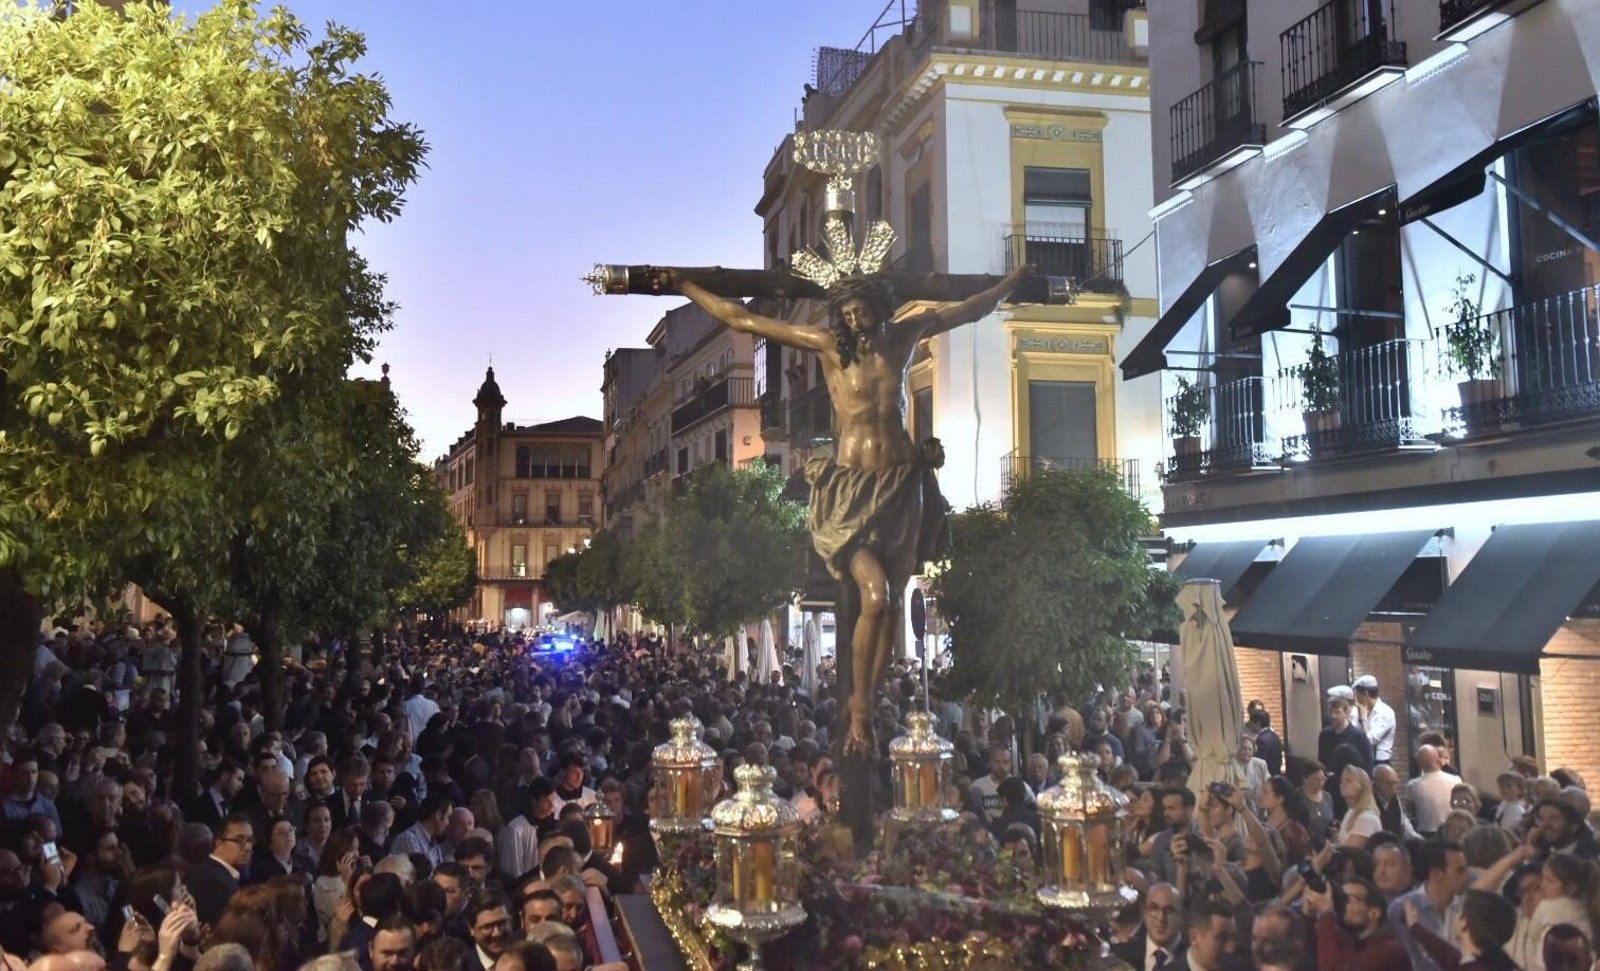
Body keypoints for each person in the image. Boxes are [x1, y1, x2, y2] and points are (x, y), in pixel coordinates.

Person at [678, 264, 1029, 752]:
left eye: (861, 310)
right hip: (850, 488)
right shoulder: (826, 347)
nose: (854, 320)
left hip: (903, 482)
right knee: (877, 596)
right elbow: (748, 322)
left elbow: (967, 310)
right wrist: (687, 286)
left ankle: (868, 699)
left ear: (879, 310)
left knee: (892, 600)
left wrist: (1008, 285)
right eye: (846, 313)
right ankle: (859, 708)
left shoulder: (907, 335)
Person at [1390, 839, 1471, 971]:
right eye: (1460, 870)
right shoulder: (1401, 908)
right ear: (1437, 873)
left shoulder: (1469, 909)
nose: (1467, 876)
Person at [1402, 887, 1519, 970]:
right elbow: (1447, 955)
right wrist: (1415, 926)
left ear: (1464, 922)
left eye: (1460, 911)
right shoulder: (1486, 964)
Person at [1307, 875, 1409, 969]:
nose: (1341, 905)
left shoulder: (1392, 951)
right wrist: (1308, 915)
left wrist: (1326, 913)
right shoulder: (1343, 940)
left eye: (1348, 900)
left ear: (1374, 913)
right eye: (1339, 899)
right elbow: (1299, 955)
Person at [188, 813, 251, 926]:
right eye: (239, 840)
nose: (247, 847)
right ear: (218, 843)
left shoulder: (211, 871)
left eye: (250, 840)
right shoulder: (217, 883)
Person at [1109, 882, 1185, 971]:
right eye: (1154, 908)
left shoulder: (1197, 958)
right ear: (1144, 913)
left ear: (1181, 915)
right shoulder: (1120, 956)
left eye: (1169, 910)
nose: (1161, 918)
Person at [1318, 691, 1373, 814]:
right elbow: (1322, 762)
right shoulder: (1325, 735)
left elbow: (1368, 766)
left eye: (1337, 712)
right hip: (1332, 788)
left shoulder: (1359, 736)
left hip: (1354, 788)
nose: (1333, 716)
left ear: (1346, 712)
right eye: (1330, 712)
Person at [1409, 745, 1459, 838]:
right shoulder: (1456, 780)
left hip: (1425, 834)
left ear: (1419, 764)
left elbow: (1411, 810)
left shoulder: (1413, 786)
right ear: (1438, 760)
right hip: (1451, 830)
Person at [464, 889, 514, 971]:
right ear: (471, 929)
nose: (496, 933)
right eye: (487, 927)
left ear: (511, 922)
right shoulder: (463, 967)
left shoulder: (528, 961)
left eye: (502, 923)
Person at [1353, 676, 1396, 766]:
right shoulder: (1360, 711)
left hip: (1380, 763)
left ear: (1366, 694)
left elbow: (1369, 740)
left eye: (1358, 696)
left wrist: (1364, 719)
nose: (1357, 700)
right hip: (1363, 759)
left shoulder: (1386, 712)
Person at [1337, 765, 1383, 849]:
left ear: (1361, 786)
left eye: (1349, 781)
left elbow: (1350, 851)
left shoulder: (1366, 817)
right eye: (1342, 781)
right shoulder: (1350, 813)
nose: (1343, 784)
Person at [1248, 708, 1283, 777]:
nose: (1250, 726)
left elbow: (1259, 763)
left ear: (1258, 724)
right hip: (1276, 774)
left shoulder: (1262, 740)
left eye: (1251, 723)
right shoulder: (1275, 736)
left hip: (1267, 777)